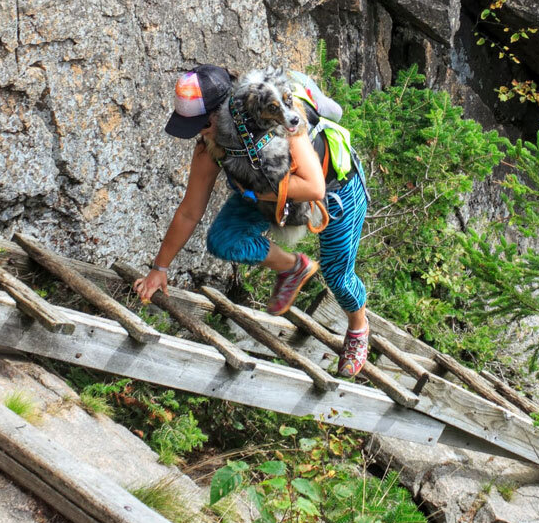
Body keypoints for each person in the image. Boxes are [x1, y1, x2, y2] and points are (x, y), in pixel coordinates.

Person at [131, 65, 374, 375]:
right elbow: (190, 211)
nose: (199, 133)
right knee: (225, 239)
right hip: (265, 192)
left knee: (337, 276)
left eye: (202, 124)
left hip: (335, 191)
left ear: (224, 110)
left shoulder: (279, 117)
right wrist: (158, 269)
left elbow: (313, 186)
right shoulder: (211, 143)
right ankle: (293, 267)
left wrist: (254, 191)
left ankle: (358, 327)